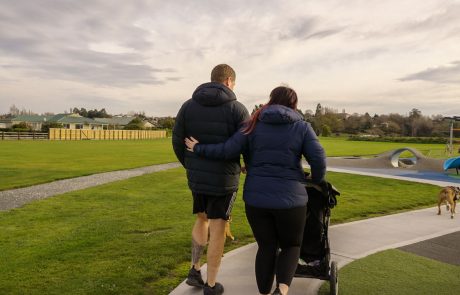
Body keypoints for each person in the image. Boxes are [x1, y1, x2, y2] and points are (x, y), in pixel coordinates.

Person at [185, 86, 326, 295]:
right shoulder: (302, 127)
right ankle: (283, 290)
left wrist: (198, 148)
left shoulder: (252, 125)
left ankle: (264, 293)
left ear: (271, 100)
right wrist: (315, 178)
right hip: (291, 199)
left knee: (266, 247)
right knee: (291, 246)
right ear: (293, 104)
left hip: (256, 200)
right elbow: (319, 159)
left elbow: (227, 149)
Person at [172, 64, 249, 295]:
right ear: (228, 81)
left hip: (197, 176)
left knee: (201, 218)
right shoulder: (238, 109)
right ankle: (212, 284)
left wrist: (192, 165)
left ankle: (194, 269)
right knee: (218, 226)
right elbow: (245, 143)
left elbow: (177, 142)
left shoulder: (187, 106)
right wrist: (248, 165)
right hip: (224, 179)